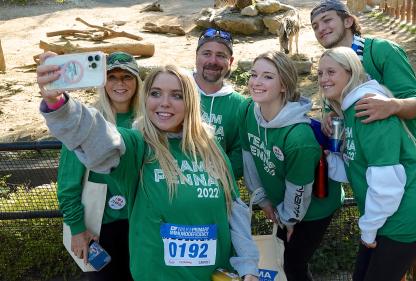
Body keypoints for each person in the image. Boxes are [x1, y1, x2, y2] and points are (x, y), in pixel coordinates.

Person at [37, 54, 259, 281]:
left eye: (177, 95)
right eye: (156, 93)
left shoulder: (210, 148)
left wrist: (248, 266)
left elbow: (235, 209)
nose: (164, 102)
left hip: (213, 275)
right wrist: (60, 104)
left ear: (190, 101)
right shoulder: (138, 146)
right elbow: (99, 137)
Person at [310, 1, 416, 279]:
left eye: (327, 20)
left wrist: (391, 105)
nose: (321, 28)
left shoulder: (381, 50)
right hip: (370, 162)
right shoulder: (333, 66)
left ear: (348, 21)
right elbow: (342, 104)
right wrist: (329, 116)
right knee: (390, 253)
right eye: (315, 25)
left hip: (406, 160)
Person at [239, 50, 344, 281]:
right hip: (279, 202)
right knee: (281, 260)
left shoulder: (299, 139)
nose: (256, 82)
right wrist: (262, 199)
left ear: (284, 85)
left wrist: (289, 220)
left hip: (313, 208)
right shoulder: (248, 111)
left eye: (267, 77)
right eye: (254, 74)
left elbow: (299, 191)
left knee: (292, 264)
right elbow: (249, 158)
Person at [57, 51, 140, 281]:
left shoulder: (150, 121)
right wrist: (76, 228)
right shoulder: (88, 122)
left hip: (141, 224)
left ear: (137, 81)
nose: (120, 83)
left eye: (127, 76)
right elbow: (67, 183)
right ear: (103, 82)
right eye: (112, 77)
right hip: (99, 228)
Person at [193, 27, 246, 179]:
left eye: (221, 55)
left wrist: (218, 181)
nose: (213, 61)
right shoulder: (176, 90)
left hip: (217, 186)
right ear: (196, 56)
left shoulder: (240, 105)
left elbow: (239, 153)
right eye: (206, 53)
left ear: (231, 61)